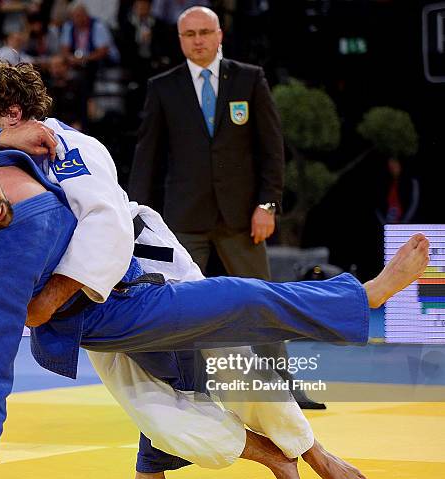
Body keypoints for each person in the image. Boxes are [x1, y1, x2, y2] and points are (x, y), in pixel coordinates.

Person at [0, 134, 428, 479]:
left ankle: (183, 476)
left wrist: (3, 139)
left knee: (217, 369)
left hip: (134, 266)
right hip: (110, 314)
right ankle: (361, 298)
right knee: (236, 302)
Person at [127, 6, 323, 408]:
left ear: (220, 35)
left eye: (204, 32)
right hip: (185, 217)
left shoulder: (250, 79)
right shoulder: (164, 86)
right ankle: (190, 387)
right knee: (183, 306)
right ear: (180, 40)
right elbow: (148, 155)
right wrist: (137, 216)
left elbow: (272, 151)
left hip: (243, 217)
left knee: (263, 300)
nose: (197, 40)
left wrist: (267, 205)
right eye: (189, 34)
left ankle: (284, 387)